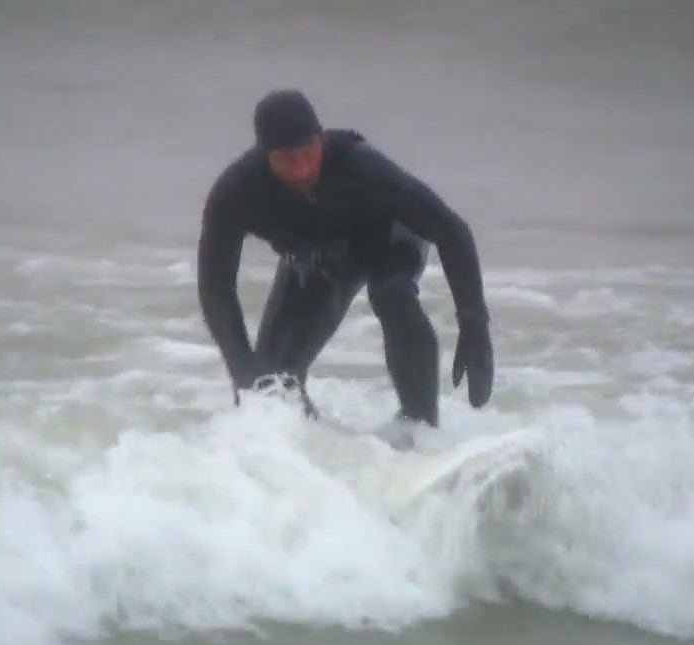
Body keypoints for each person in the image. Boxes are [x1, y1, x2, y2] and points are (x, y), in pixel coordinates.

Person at [196, 89, 493, 427]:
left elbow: (450, 229)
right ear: (267, 156)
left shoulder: (359, 165)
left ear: (320, 139)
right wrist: (242, 370)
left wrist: (474, 325)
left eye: (309, 151)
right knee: (272, 384)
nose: (303, 168)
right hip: (320, 258)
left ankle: (420, 430)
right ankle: (311, 459)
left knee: (392, 293)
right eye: (289, 160)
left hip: (389, 242)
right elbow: (215, 287)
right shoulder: (236, 193)